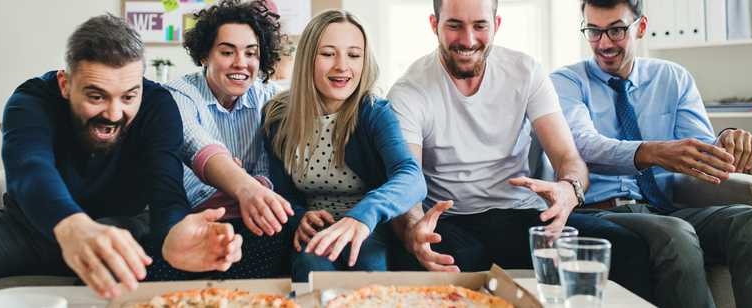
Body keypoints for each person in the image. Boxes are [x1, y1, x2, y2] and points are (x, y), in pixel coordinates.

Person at [0, 14, 242, 299]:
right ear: (65, 84)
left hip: (122, 231)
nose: (113, 114)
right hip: (29, 230)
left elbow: (165, 184)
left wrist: (172, 231)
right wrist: (73, 227)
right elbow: (31, 170)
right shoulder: (31, 100)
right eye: (97, 97)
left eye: (129, 97)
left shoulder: (158, 105)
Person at [387, 0, 653, 300]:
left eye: (480, 26)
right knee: (462, 262)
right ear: (434, 25)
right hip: (450, 220)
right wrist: (412, 229)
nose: (468, 39)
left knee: (628, 248)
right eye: (454, 25)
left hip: (520, 215)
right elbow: (404, 180)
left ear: (496, 25)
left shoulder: (524, 71)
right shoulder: (410, 90)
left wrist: (569, 190)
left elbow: (569, 158)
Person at [550, 1, 752, 307]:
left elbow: (700, 151)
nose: (604, 43)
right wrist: (652, 152)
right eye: (593, 31)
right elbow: (582, 145)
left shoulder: (673, 77)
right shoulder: (566, 81)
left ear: (642, 27)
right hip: (601, 212)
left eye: (616, 30)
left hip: (663, 207)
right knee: (675, 234)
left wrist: (726, 141)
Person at [262, 9, 427, 282]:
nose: (342, 66)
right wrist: (299, 218)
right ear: (307, 59)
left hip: (367, 227)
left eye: (354, 55)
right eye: (328, 54)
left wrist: (363, 216)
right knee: (312, 268)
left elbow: (411, 176)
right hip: (316, 233)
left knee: (369, 264)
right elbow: (281, 192)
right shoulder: (277, 116)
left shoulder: (375, 112)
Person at [158, 0, 294, 279]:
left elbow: (271, 165)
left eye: (251, 53)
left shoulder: (269, 98)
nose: (241, 63)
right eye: (227, 51)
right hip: (192, 220)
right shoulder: (176, 94)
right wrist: (243, 186)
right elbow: (195, 143)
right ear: (205, 55)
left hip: (252, 223)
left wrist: (257, 189)